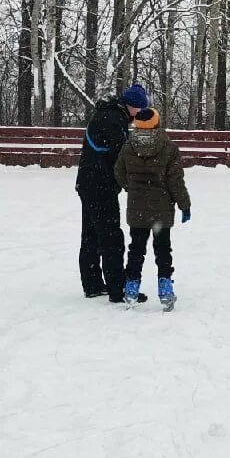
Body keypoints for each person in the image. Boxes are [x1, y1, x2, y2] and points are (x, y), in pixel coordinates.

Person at [114, 107, 192, 310]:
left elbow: (119, 171)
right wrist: (185, 204)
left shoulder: (128, 147)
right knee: (163, 249)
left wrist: (131, 188)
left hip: (137, 208)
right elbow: (175, 181)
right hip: (161, 209)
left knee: (136, 249)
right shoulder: (168, 148)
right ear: (157, 123)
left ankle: (131, 287)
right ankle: (165, 289)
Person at [79, 83, 150, 303]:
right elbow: (122, 158)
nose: (141, 114)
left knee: (91, 235)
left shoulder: (109, 115)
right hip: (100, 186)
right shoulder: (112, 120)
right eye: (140, 109)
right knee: (111, 237)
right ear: (132, 106)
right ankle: (118, 289)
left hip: (90, 183)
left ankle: (92, 284)